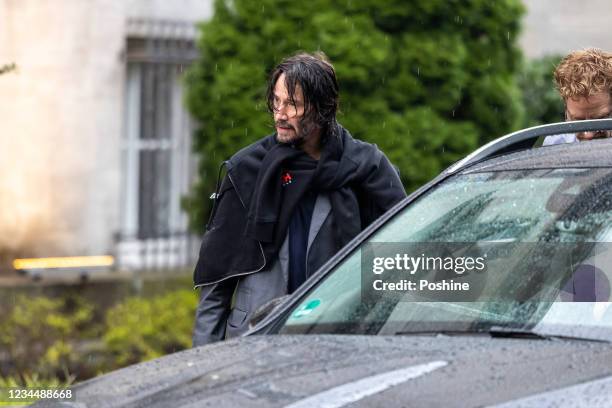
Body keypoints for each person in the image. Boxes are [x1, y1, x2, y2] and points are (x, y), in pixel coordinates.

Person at [192, 52, 406, 346]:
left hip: (337, 340)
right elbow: (216, 284)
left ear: (321, 110)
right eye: (276, 102)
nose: (279, 114)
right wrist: (204, 366)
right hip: (256, 339)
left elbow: (405, 258)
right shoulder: (248, 170)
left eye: (292, 104)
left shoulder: (368, 169)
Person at [544, 48, 612, 146]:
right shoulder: (555, 146)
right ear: (566, 114)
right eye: (578, 121)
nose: (588, 135)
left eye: (599, 120)